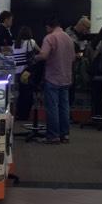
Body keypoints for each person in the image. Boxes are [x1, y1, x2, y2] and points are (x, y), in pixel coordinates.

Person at [36, 15, 76, 144]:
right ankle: (65, 135)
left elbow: (44, 55)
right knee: (64, 107)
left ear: (49, 26)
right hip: (66, 77)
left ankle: (53, 136)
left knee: (52, 107)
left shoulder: (50, 37)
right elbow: (73, 57)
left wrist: (35, 57)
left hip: (53, 77)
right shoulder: (68, 38)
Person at [13, 26, 39, 120]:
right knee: (27, 93)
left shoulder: (15, 44)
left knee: (20, 93)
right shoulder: (31, 42)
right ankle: (25, 114)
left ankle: (19, 113)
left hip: (17, 72)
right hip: (26, 71)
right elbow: (40, 51)